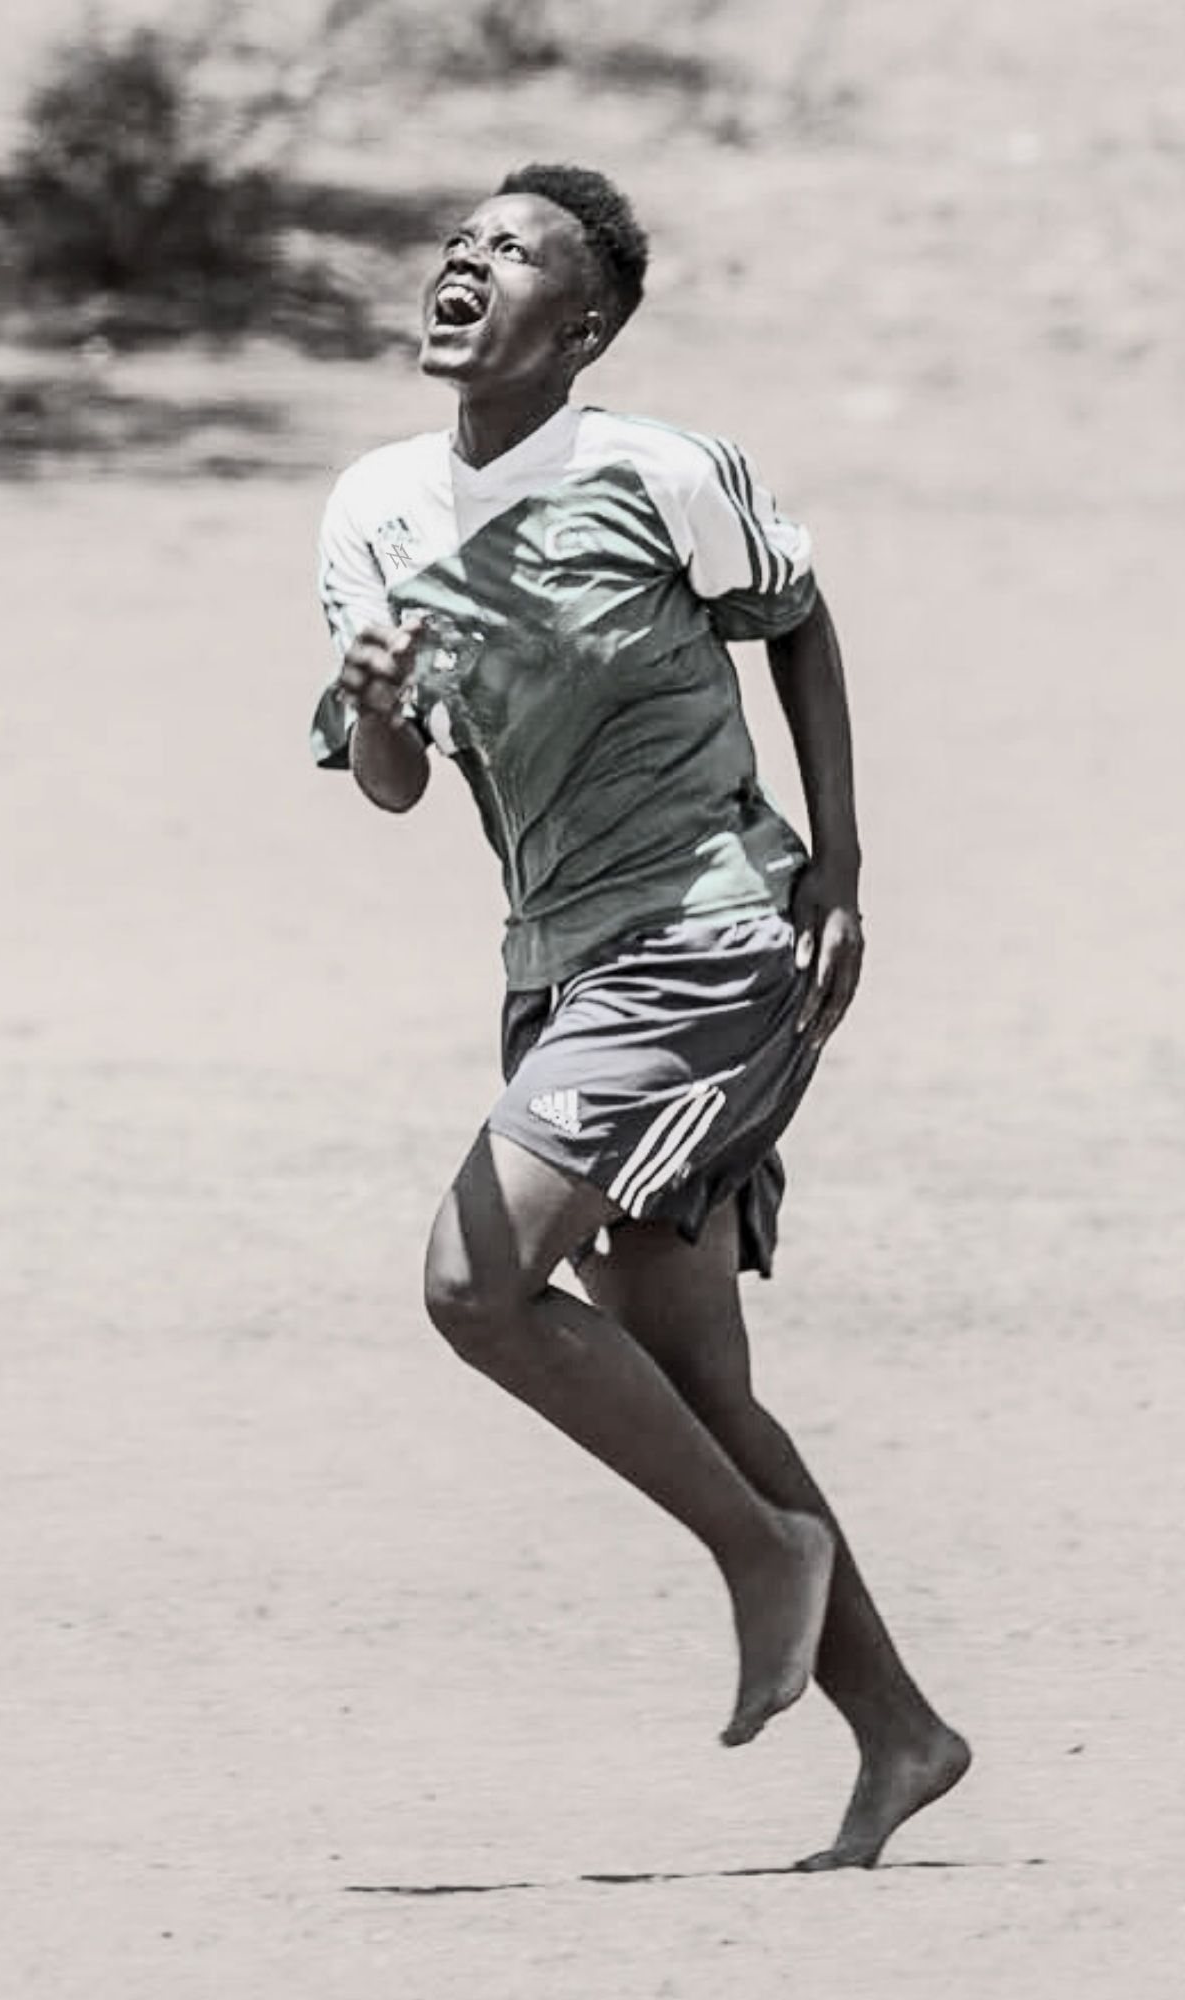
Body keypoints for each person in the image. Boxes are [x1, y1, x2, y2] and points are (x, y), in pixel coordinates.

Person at [311, 162, 969, 1869]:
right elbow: (391, 782)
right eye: (461, 238)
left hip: (711, 934)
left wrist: (842, 864)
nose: (469, 258)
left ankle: (761, 1553)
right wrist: (374, 702)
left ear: (584, 325)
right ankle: (903, 1734)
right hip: (556, 967)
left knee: (474, 1283)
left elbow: (797, 623)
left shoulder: (660, 471)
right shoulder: (377, 509)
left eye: (516, 250)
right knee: (686, 1373)